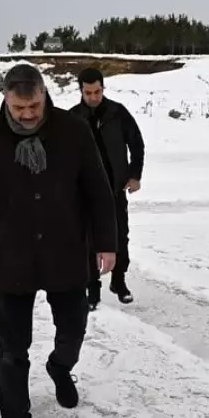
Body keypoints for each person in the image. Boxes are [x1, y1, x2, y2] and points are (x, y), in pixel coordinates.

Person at [0, 63, 117, 418]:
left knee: (74, 329)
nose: (27, 114)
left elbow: (97, 189)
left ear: (45, 94)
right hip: (13, 259)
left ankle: (61, 367)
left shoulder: (72, 130)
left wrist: (108, 244)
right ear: (5, 98)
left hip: (66, 252)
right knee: (12, 352)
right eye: (20, 106)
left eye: (34, 105)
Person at [69, 67, 145, 308]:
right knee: (89, 241)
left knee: (120, 237)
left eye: (97, 91)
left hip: (115, 189)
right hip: (85, 195)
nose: (93, 97)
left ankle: (119, 281)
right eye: (88, 92)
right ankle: (93, 289)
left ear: (103, 88)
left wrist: (135, 175)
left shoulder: (117, 113)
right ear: (80, 90)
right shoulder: (72, 118)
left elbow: (137, 144)